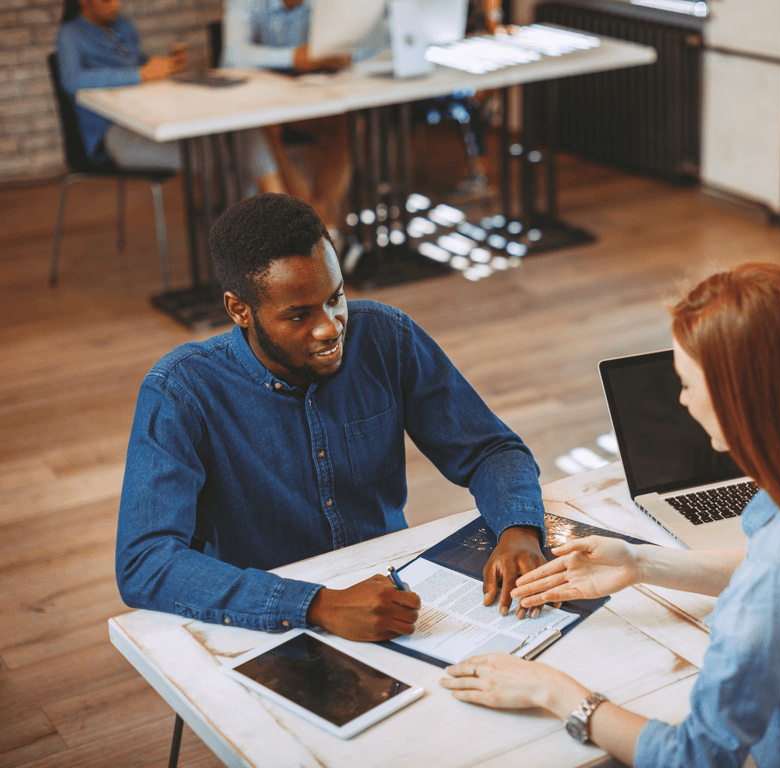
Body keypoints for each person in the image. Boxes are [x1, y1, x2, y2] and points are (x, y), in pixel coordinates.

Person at [441, 263, 780, 767]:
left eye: (687, 382)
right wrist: (641, 564)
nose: (682, 400)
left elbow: (697, 757)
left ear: (740, 399)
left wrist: (555, 691)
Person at [115, 193, 547, 641]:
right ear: (239, 310)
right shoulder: (181, 391)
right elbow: (145, 561)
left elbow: (491, 448)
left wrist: (518, 527)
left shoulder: (384, 337)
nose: (329, 327)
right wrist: (317, 605)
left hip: (392, 600)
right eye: (299, 315)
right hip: (263, 623)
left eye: (335, 297)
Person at [54, 0, 285, 193]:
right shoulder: (70, 34)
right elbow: (73, 80)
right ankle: (242, 225)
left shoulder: (124, 25)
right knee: (218, 154)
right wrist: (139, 74)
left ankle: (260, 221)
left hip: (149, 119)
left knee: (244, 136)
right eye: (106, 0)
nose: (115, 4)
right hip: (113, 134)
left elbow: (138, 65)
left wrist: (159, 66)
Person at [220, 0, 361, 241]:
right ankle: (321, 228)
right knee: (266, 127)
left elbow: (364, 41)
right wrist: (293, 58)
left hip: (309, 101)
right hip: (262, 107)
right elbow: (232, 55)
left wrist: (343, 53)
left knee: (353, 121)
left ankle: (315, 224)